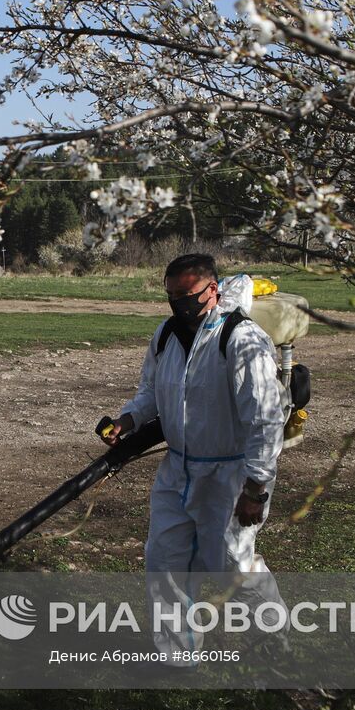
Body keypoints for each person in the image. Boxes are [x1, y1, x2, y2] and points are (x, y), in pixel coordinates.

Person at [106, 254, 286, 658]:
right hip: (178, 469)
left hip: (230, 473)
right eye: (172, 296)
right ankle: (177, 654)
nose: (179, 305)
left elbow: (265, 418)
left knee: (231, 565)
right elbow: (151, 389)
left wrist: (257, 487)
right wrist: (130, 419)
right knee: (165, 560)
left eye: (187, 296)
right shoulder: (166, 335)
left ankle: (272, 641)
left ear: (213, 290)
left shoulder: (241, 339)